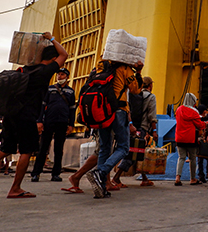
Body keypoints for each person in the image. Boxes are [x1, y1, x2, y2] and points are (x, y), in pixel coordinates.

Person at [0, 32, 67, 199]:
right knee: (26, 150)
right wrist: (51, 38)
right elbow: (64, 54)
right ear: (52, 59)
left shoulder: (25, 70)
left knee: (4, 150)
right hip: (27, 116)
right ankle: (16, 188)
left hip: (11, 115)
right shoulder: (44, 71)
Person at [86, 59, 143, 198]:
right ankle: (101, 172)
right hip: (119, 110)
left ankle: (101, 186)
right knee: (123, 148)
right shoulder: (124, 68)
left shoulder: (100, 67)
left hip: (102, 111)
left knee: (105, 147)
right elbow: (136, 90)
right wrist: (139, 72)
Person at [111, 75, 158, 188]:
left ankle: (145, 178)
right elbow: (152, 115)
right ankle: (116, 177)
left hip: (131, 126)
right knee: (133, 153)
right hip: (141, 128)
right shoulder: (150, 97)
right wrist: (155, 131)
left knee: (138, 152)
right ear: (150, 85)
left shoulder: (135, 95)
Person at [30, 67, 75, 182]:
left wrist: (71, 124)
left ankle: (56, 174)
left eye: (62, 75)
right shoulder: (50, 89)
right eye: (58, 75)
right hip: (49, 121)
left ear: (67, 77)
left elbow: (72, 109)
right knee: (43, 147)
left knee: (58, 149)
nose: (59, 77)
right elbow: (42, 106)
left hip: (62, 122)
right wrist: (39, 121)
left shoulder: (70, 91)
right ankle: (36, 173)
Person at [174, 93, 206, 186]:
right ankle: (192, 178)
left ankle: (177, 177)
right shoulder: (194, 112)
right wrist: (206, 124)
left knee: (181, 158)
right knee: (192, 159)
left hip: (179, 137)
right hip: (191, 138)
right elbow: (199, 125)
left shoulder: (179, 109)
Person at [197, 104, 208, 182]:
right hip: (207, 139)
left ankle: (201, 175)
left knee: (200, 158)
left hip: (200, 139)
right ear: (204, 111)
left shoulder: (197, 118)